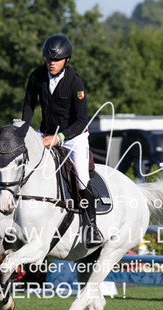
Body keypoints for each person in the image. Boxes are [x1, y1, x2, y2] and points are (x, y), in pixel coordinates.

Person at [21, 34, 104, 248]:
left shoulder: (75, 82)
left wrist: (59, 138)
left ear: (66, 60)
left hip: (72, 137)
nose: (51, 63)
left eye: (56, 60)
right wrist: (25, 131)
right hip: (45, 134)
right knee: (21, 164)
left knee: (82, 178)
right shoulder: (37, 76)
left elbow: (82, 120)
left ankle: (91, 227)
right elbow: (29, 105)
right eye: (49, 59)